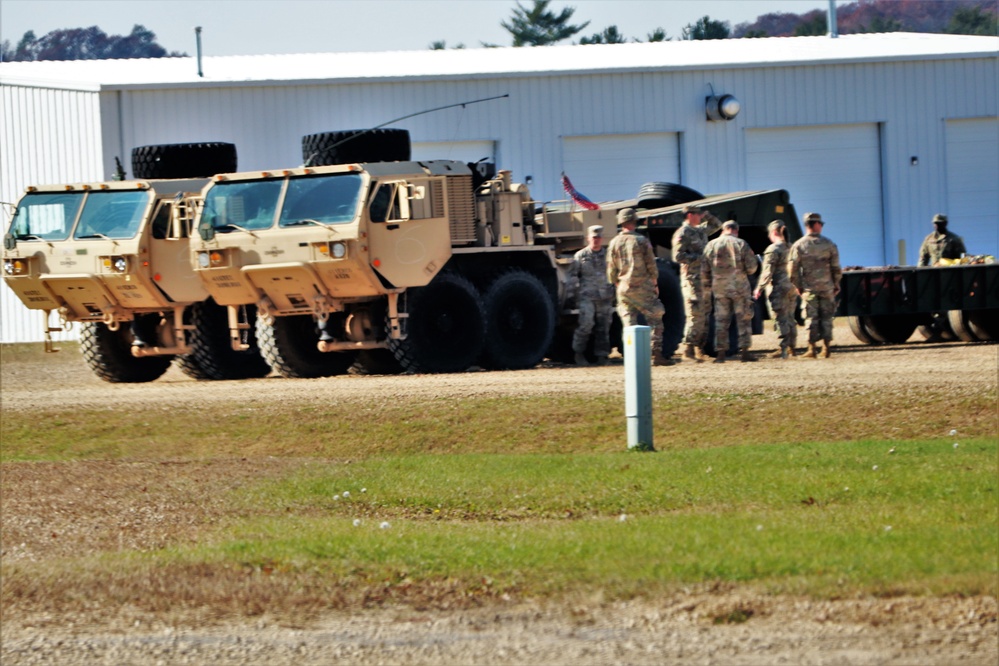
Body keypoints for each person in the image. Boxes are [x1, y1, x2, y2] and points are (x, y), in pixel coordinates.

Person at [607, 208, 672, 366]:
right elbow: (651, 264)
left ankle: (632, 357)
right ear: (634, 221)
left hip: (623, 287)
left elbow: (611, 269)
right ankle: (656, 354)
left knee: (629, 323)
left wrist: (617, 283)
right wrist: (655, 283)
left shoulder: (614, 242)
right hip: (642, 286)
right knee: (655, 316)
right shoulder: (641, 241)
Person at [671, 204, 723, 362]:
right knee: (695, 315)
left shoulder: (700, 230)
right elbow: (678, 257)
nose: (700, 216)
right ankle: (688, 349)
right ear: (689, 215)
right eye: (698, 214)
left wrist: (707, 215)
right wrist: (700, 258)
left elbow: (717, 225)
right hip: (692, 280)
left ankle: (700, 348)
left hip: (704, 280)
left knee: (705, 314)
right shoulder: (683, 233)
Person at [701, 220, 758, 363]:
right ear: (736, 230)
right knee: (743, 319)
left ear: (723, 230)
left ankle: (720, 354)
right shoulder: (741, 244)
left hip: (720, 288)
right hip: (739, 288)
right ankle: (745, 352)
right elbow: (752, 268)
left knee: (721, 320)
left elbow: (704, 270)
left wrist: (709, 286)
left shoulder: (711, 245)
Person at [788, 212, 842, 358]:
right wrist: (836, 283)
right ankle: (826, 347)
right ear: (816, 225)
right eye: (821, 224)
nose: (822, 227)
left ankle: (811, 348)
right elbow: (836, 267)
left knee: (811, 318)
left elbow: (792, 270)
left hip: (808, 288)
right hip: (827, 287)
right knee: (827, 317)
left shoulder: (799, 245)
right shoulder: (829, 244)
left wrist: (798, 285)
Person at [568, 225, 615, 366]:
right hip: (587, 296)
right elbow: (573, 276)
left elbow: (614, 273)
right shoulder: (581, 256)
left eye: (599, 237)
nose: (596, 240)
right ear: (588, 238)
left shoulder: (608, 255)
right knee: (586, 324)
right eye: (594, 237)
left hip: (605, 296)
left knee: (604, 326)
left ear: (602, 239)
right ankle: (579, 353)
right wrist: (574, 296)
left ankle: (602, 356)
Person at [754, 220, 798, 359]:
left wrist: (759, 288)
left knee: (780, 318)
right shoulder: (792, 247)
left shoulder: (773, 249)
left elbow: (767, 271)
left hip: (779, 287)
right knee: (790, 317)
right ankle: (792, 347)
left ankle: (783, 348)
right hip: (792, 287)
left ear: (774, 232)